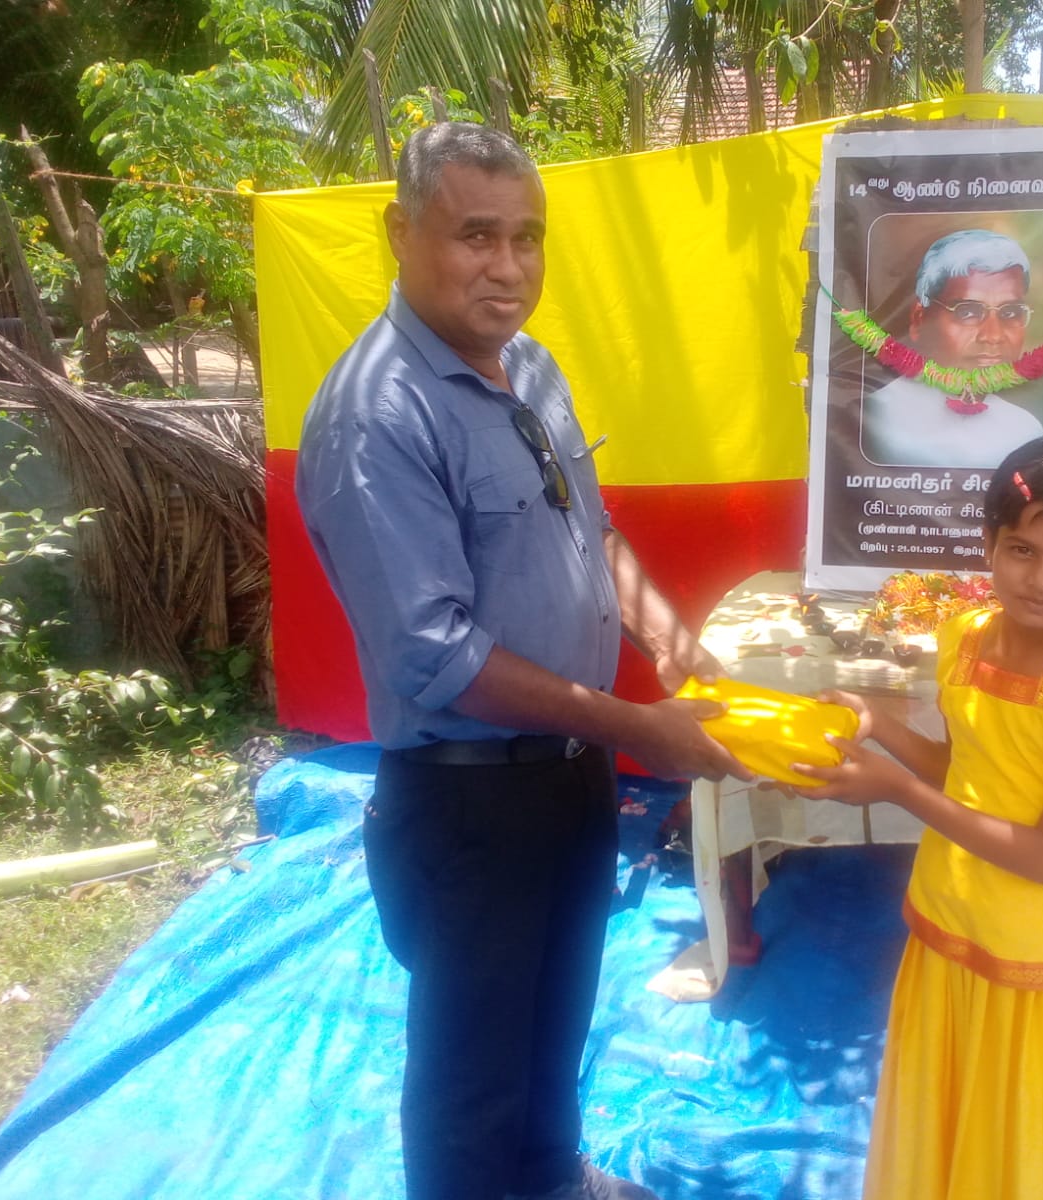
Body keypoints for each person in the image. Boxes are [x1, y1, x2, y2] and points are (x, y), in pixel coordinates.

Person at [295, 122, 749, 1200]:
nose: (508, 267)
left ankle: (551, 1178)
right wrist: (638, 728)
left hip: (571, 774)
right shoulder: (376, 416)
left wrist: (673, 645)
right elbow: (433, 653)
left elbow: (590, 529)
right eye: (476, 236)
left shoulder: (532, 368)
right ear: (400, 232)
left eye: (528, 238)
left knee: (558, 1012)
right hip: (468, 802)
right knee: (471, 1068)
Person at [792, 438, 1043, 1200]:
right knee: (959, 1139)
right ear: (988, 543)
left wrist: (895, 790)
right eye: (1023, 550)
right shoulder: (965, 638)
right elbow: (972, 774)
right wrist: (879, 722)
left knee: (1037, 1155)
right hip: (956, 922)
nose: (1041, 579)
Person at [860, 230, 1043, 468]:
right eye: (967, 312)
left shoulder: (1025, 431)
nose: (993, 336)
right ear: (919, 319)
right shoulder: (872, 418)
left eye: (1010, 313)